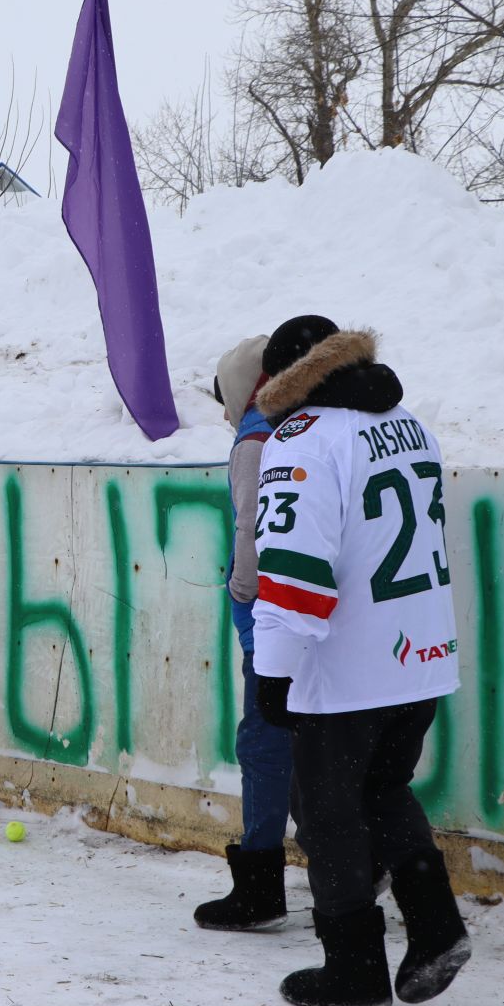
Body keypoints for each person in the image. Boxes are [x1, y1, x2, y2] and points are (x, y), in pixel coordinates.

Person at [250, 315, 472, 1006]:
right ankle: (435, 927)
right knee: (383, 788)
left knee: (328, 814)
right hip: (422, 653)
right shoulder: (409, 423)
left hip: (347, 665)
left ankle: (354, 970)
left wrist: (273, 667)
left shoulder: (305, 437)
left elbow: (293, 569)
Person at [193, 333, 294, 932]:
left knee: (263, 746)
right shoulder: (306, 425)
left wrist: (240, 589)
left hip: (272, 622)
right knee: (314, 746)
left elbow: (250, 537)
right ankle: (362, 860)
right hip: (313, 617)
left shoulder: (255, 438)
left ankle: (259, 887)